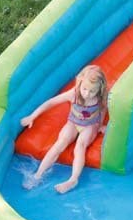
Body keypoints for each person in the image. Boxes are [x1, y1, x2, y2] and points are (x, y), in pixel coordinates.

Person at [20, 64, 107, 193]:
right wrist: (32, 116)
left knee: (80, 146)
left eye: (92, 91)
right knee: (60, 143)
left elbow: (103, 109)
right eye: (84, 89)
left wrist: (101, 125)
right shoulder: (74, 94)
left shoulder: (100, 98)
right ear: (80, 82)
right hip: (73, 122)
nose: (87, 94)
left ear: (99, 89)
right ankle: (38, 174)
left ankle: (73, 179)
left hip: (89, 125)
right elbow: (51, 102)